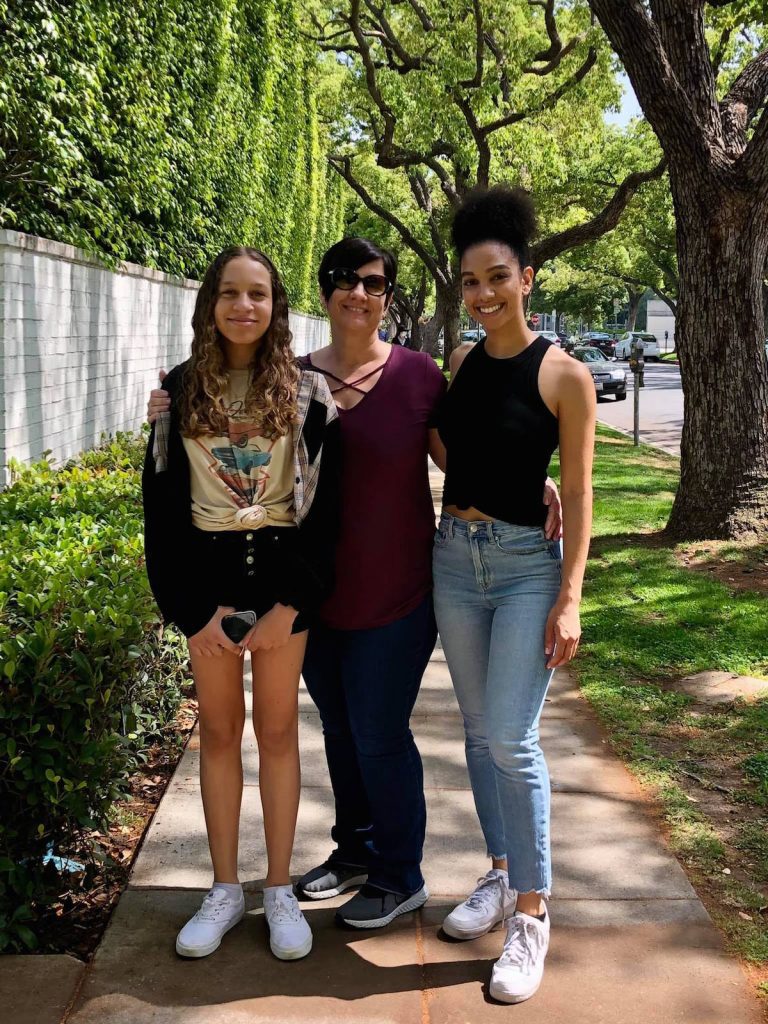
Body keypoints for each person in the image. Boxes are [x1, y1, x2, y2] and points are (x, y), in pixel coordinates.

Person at [146, 236, 562, 932]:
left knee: (377, 733)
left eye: (373, 282)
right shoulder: (296, 378)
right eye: (343, 279)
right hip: (313, 593)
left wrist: (531, 481)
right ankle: (355, 851)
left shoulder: (417, 377)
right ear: (321, 291)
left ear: (388, 294)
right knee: (337, 731)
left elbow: (462, 456)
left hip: (395, 591)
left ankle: (399, 874)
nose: (358, 292)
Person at [142, 246, 341, 961]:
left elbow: (327, 510)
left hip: (283, 589)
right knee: (220, 734)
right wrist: (191, 612)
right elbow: (160, 508)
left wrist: (293, 605)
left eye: (258, 294)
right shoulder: (179, 387)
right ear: (211, 303)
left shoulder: (310, 394)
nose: (244, 307)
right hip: (207, 590)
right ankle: (224, 888)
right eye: (231, 293)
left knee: (280, 733)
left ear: (276, 306)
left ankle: (280, 887)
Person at [430, 186, 595, 1004]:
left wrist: (570, 595)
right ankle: (498, 874)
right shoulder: (462, 362)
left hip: (527, 567)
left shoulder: (566, 375)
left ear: (526, 278)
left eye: (497, 277)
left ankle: (532, 912)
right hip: (454, 559)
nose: (484, 294)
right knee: (475, 732)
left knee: (512, 738)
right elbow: (449, 446)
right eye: (470, 281)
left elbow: (581, 490)